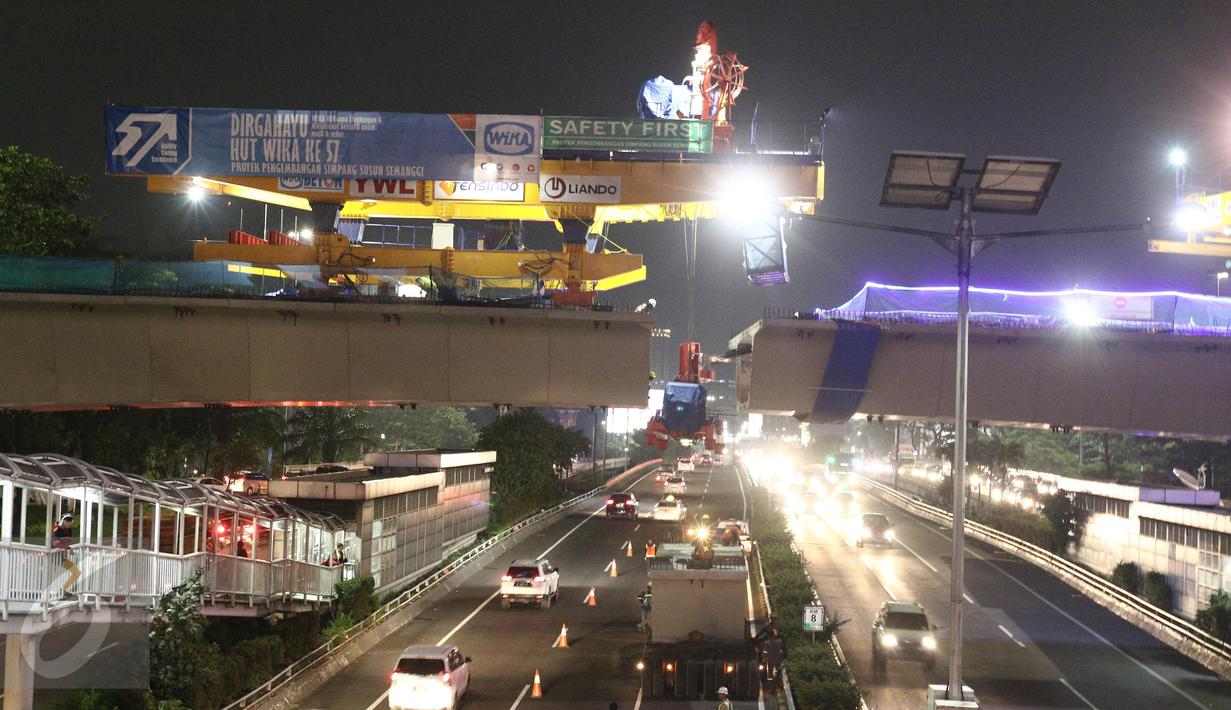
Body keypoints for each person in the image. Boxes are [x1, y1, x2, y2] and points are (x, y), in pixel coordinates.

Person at [51, 514, 81, 597]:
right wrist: (67, 546)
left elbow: (69, 541)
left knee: (76, 572)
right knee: (51, 578)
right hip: (53, 557)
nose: (69, 524)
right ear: (63, 521)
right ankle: (48, 598)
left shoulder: (69, 529)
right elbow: (55, 543)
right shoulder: (56, 530)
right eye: (68, 522)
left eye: (71, 522)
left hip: (62, 557)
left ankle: (63, 590)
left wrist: (66, 545)